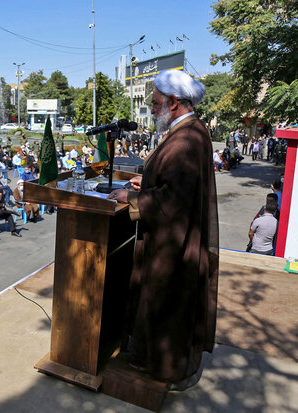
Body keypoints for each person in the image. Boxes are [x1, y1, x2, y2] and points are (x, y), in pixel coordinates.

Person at [109, 69, 219, 386]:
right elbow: (178, 183)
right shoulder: (189, 131)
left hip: (173, 246)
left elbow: (173, 199)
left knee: (165, 304)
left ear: (172, 102)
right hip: (176, 239)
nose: (152, 107)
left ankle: (161, 369)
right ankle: (150, 359)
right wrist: (148, 181)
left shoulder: (186, 139)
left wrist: (132, 197)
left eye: (156, 102)